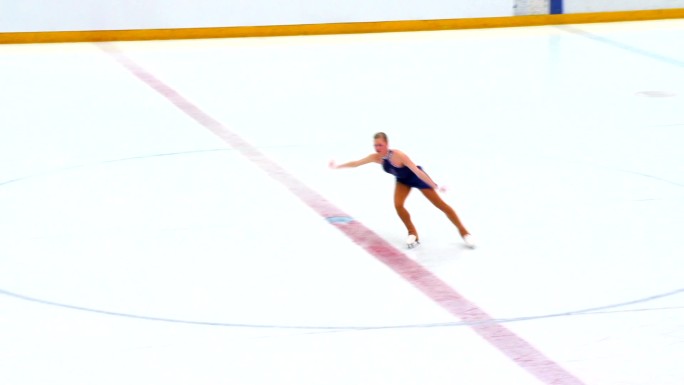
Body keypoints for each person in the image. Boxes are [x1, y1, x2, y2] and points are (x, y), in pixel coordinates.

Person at [330, 132, 474, 249]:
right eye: (375, 145)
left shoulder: (398, 155)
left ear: (387, 144)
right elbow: (356, 163)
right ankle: (412, 233)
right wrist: (337, 166)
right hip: (402, 181)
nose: (377, 148)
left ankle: (464, 233)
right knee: (398, 205)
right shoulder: (375, 158)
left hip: (417, 178)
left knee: (441, 205)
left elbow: (417, 171)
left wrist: (434, 185)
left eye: (380, 145)